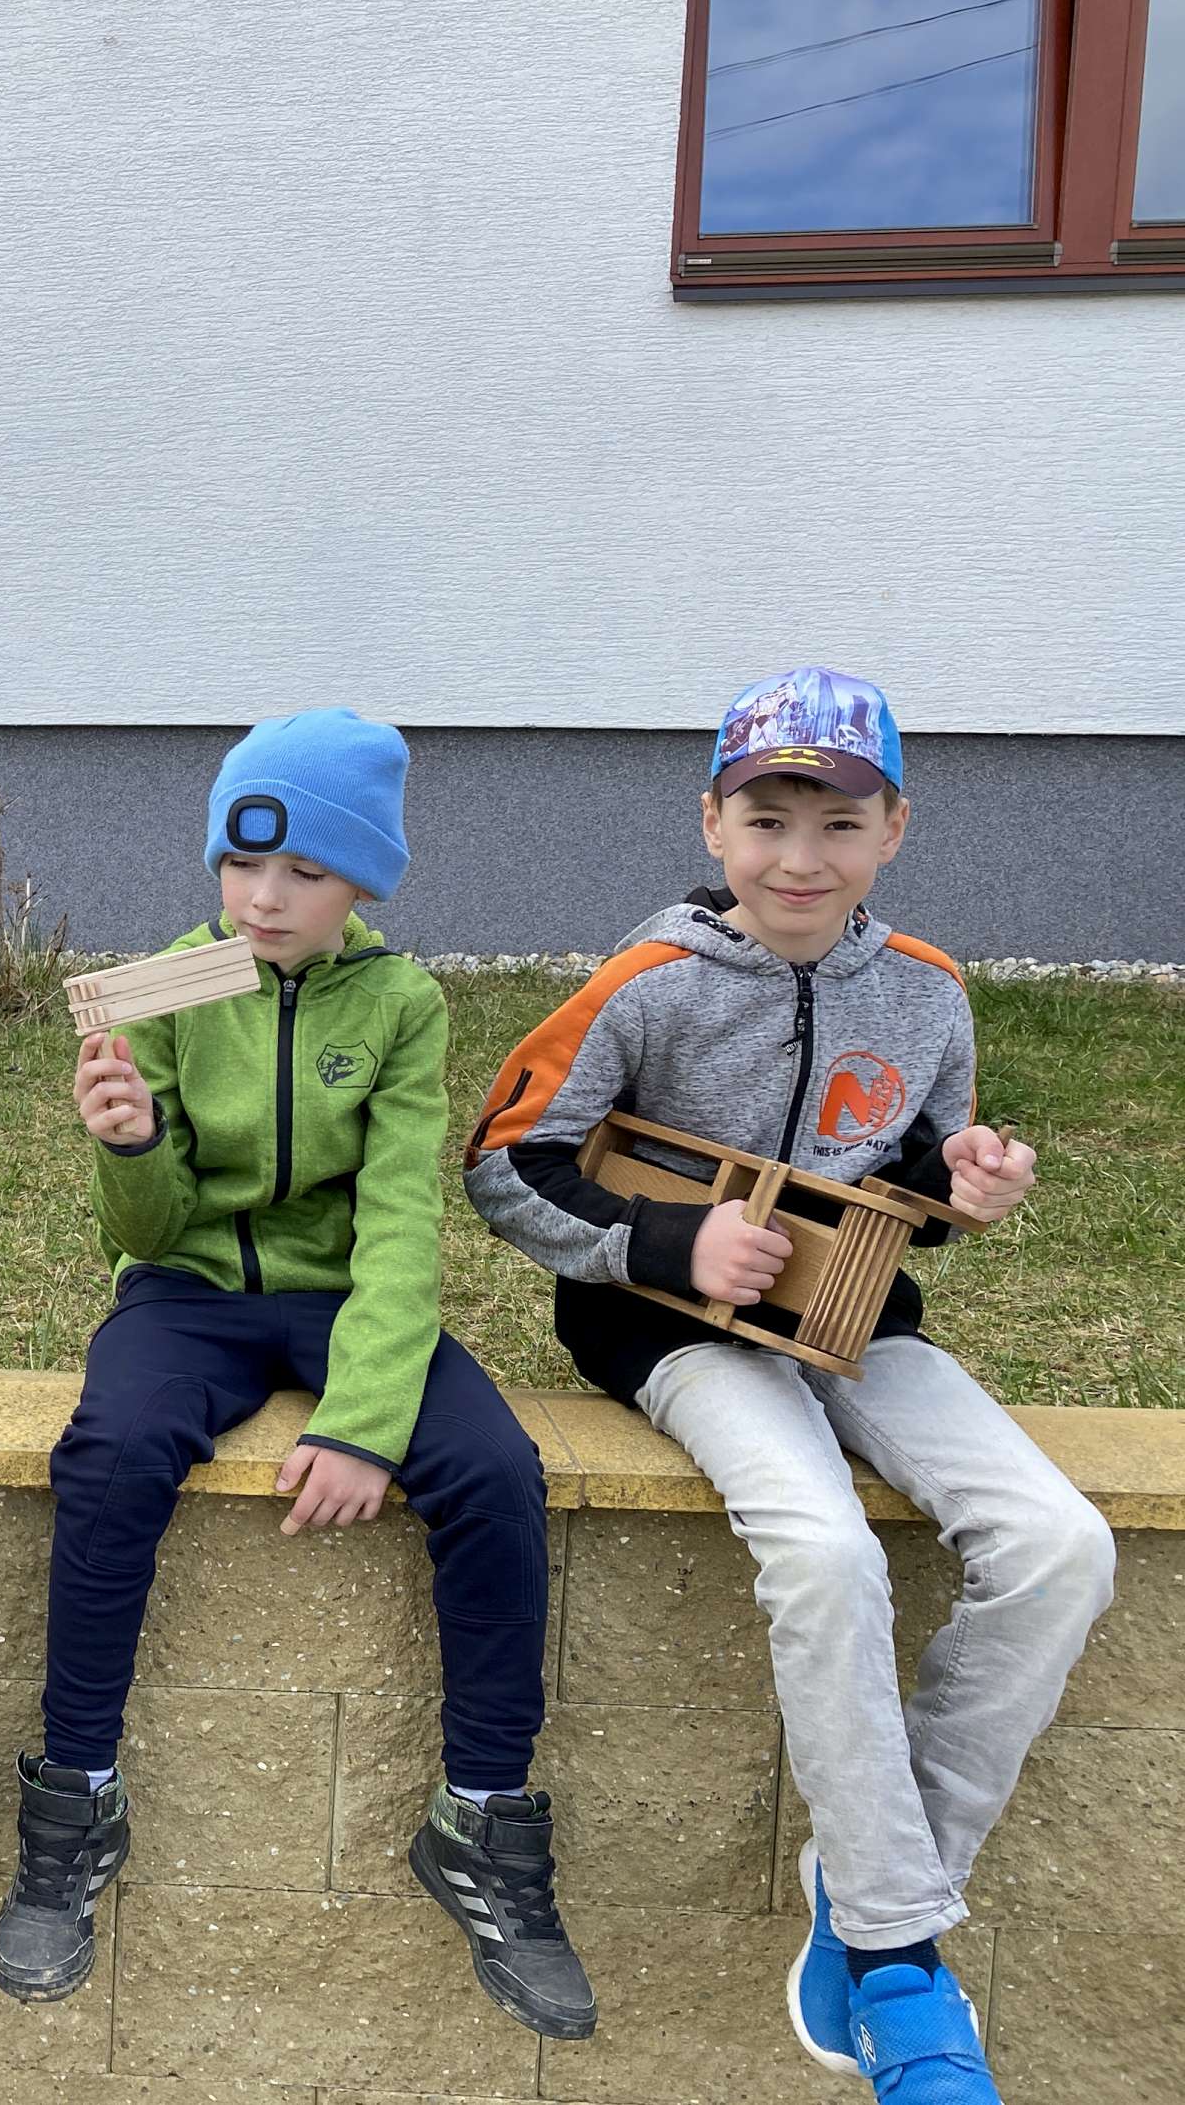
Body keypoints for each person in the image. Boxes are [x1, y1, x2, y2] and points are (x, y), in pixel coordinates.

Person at [465, 666, 1113, 2105]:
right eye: (767, 820)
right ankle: (899, 1963)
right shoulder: (647, 983)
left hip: (859, 1322)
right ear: (713, 823)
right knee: (823, 1549)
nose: (800, 858)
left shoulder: (928, 987)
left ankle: (872, 1886)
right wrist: (672, 1242)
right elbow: (506, 1159)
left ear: (895, 829)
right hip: (673, 1330)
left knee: (1065, 1543)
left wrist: (963, 1182)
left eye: (840, 823)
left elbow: (909, 1166)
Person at [0, 710, 598, 2045]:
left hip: (343, 1300)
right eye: (240, 863)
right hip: (188, 1291)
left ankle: (484, 1814)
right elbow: (143, 1232)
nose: (263, 898)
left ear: (362, 881)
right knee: (111, 1453)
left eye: (304, 872)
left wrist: (367, 1423)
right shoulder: (165, 988)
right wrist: (130, 1145)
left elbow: (398, 1225)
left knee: (494, 1469)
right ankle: (73, 1795)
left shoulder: (401, 1004)